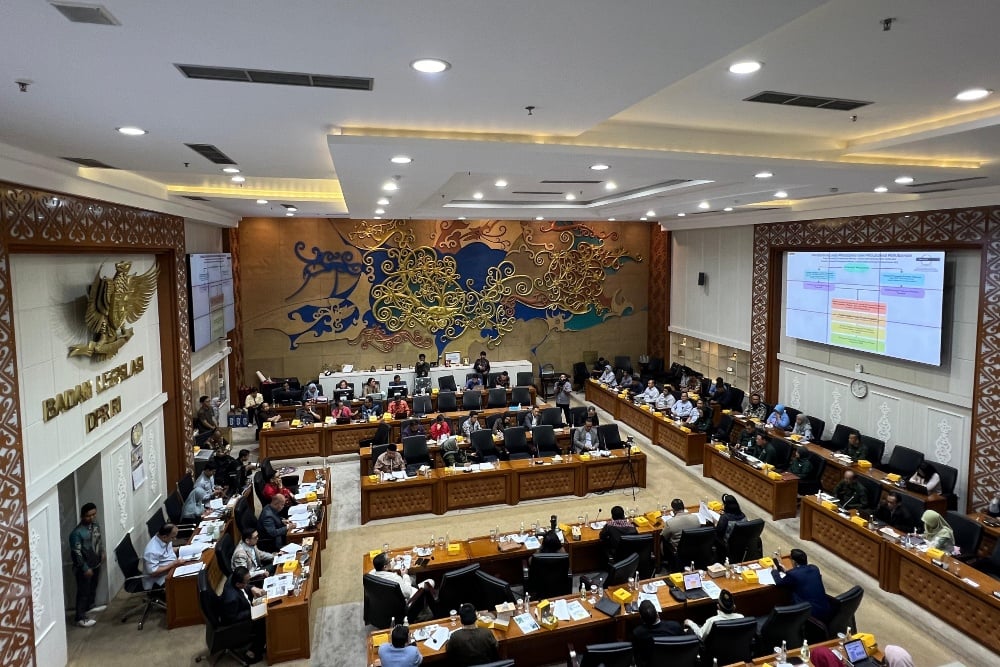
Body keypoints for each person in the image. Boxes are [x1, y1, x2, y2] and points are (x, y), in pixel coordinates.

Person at [69, 502, 106, 627]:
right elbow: (76, 553)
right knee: (83, 592)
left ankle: (90, 606)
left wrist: (102, 551)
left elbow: (98, 539)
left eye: (94, 514)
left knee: (93, 587)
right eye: (88, 516)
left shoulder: (95, 525)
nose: (92, 517)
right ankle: (80, 617)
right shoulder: (76, 533)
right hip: (84, 568)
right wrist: (84, 568)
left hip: (96, 562)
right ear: (82, 516)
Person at [219, 566, 266, 663]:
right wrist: (252, 610)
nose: (249, 582)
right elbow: (233, 618)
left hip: (244, 607)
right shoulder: (231, 598)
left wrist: (252, 587)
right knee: (263, 621)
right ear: (238, 584)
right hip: (236, 624)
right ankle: (254, 651)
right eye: (247, 582)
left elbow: (246, 585)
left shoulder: (233, 577)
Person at [772, 548, 830, 620]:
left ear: (794, 562)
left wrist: (774, 570)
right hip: (826, 610)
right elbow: (802, 576)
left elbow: (779, 582)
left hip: (810, 615)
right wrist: (788, 571)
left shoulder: (793, 574)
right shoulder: (814, 568)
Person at [632, 598, 683, 666]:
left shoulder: (637, 633)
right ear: (657, 614)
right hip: (673, 661)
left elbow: (636, 654)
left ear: (641, 618)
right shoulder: (675, 626)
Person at [369, 552, 434, 600]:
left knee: (412, 578)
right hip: (405, 599)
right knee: (431, 581)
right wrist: (405, 575)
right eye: (389, 560)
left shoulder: (371, 574)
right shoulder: (396, 578)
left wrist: (394, 560)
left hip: (385, 598)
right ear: (385, 567)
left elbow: (385, 567)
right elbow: (408, 593)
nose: (391, 560)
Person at [142, 523, 183, 589]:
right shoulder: (151, 551)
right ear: (164, 537)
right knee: (185, 582)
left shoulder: (165, 539)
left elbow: (167, 551)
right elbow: (153, 572)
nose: (175, 539)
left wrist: (182, 549)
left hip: (172, 569)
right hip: (159, 579)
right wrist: (172, 564)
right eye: (173, 537)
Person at [661, 498, 700, 565]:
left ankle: (662, 561)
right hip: (694, 549)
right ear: (683, 508)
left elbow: (663, 536)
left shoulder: (670, 522)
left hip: (678, 551)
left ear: (673, 511)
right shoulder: (695, 518)